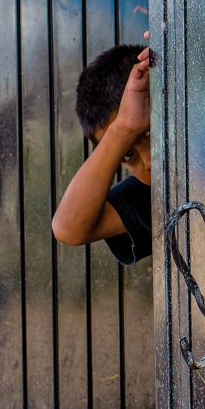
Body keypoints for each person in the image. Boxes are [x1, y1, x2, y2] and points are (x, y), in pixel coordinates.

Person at [52, 44, 154, 265]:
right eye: (127, 155)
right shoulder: (148, 196)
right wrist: (124, 128)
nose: (148, 162)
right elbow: (68, 228)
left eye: (149, 134)